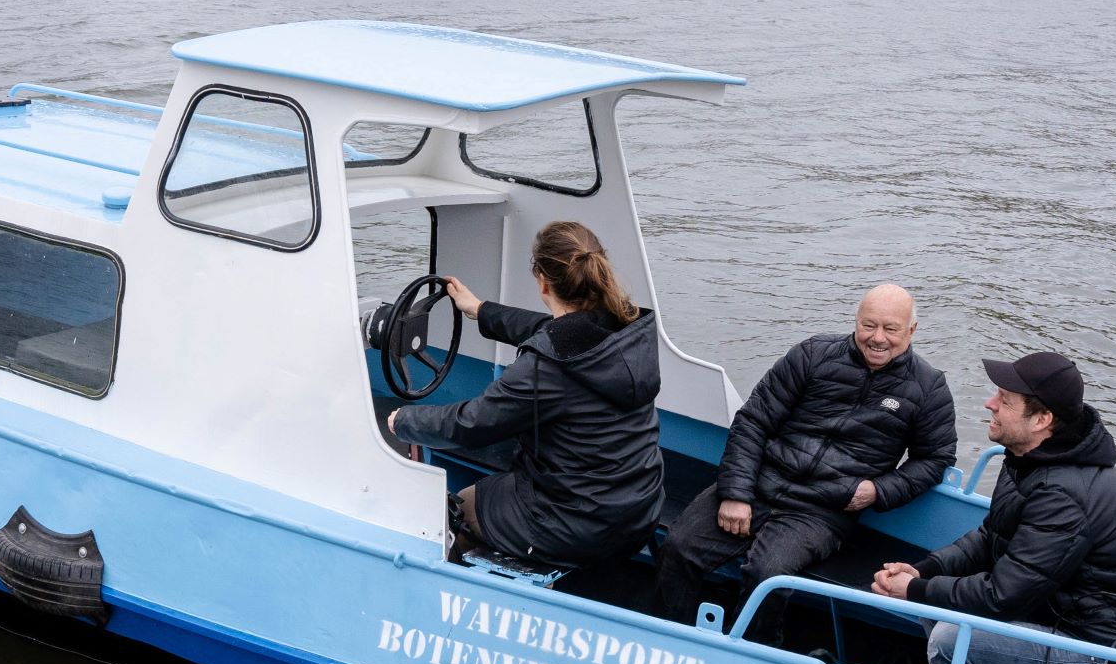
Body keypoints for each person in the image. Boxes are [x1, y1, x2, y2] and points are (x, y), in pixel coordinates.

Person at [870, 350, 1116, 664]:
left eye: (1005, 400)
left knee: (951, 639)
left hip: (1101, 661)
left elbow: (1001, 597)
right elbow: (988, 537)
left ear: (1041, 420)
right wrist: (923, 570)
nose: (989, 403)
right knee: (940, 606)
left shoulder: (1064, 494)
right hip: (1049, 616)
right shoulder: (1027, 459)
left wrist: (915, 590)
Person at [654, 284, 956, 624]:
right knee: (679, 547)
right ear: (855, 321)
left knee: (768, 576)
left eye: (891, 329)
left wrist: (879, 490)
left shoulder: (929, 387)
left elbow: (935, 459)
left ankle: (755, 652)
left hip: (823, 510)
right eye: (868, 325)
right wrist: (736, 493)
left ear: (911, 331)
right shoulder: (813, 354)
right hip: (761, 482)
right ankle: (670, 629)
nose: (878, 338)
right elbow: (753, 421)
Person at [385, 221, 663, 569]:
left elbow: (471, 425)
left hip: (576, 525)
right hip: (639, 510)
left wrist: (405, 420)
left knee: (460, 508)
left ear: (542, 282)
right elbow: (551, 330)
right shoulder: (629, 331)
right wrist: (480, 310)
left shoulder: (545, 367)